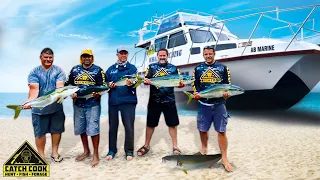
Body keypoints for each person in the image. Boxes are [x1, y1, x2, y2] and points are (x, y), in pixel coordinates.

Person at [137, 48, 185, 156]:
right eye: (160, 55)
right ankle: (146, 145)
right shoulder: (152, 67)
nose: (162, 57)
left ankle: (175, 147)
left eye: (164, 55)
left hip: (169, 100)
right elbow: (146, 79)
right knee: (150, 124)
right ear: (157, 56)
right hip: (154, 100)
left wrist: (181, 84)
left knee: (172, 124)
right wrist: (146, 81)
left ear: (167, 56)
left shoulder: (173, 68)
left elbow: (178, 82)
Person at [192, 45, 233, 172]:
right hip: (204, 105)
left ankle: (224, 158)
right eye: (206, 54)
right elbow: (195, 85)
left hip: (219, 104)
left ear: (214, 54)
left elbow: (228, 85)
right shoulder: (198, 69)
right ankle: (204, 149)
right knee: (202, 129)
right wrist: (196, 94)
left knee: (221, 131)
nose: (208, 56)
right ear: (203, 55)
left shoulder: (223, 68)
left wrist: (227, 94)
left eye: (210, 54)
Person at [22, 47, 66, 163]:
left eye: (50, 58)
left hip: (56, 108)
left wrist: (63, 94)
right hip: (39, 110)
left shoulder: (59, 71)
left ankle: (55, 153)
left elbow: (60, 86)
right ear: (40, 57)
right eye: (45, 57)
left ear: (53, 58)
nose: (48, 60)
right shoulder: (34, 72)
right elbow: (34, 90)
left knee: (57, 131)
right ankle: (41, 156)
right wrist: (29, 101)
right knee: (40, 133)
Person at [64, 48, 105, 167]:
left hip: (93, 105)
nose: (87, 59)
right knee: (81, 129)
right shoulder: (74, 70)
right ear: (81, 58)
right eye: (84, 56)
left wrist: (99, 94)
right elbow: (68, 84)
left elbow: (103, 86)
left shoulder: (98, 70)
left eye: (89, 56)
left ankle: (95, 154)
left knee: (93, 129)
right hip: (78, 105)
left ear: (92, 58)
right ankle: (86, 151)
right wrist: (70, 92)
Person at [105, 46, 139, 161]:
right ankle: (111, 150)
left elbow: (136, 80)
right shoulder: (110, 69)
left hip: (129, 101)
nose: (123, 55)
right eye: (121, 53)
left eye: (125, 53)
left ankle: (129, 151)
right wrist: (109, 85)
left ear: (127, 55)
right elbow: (105, 84)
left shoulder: (132, 68)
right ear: (117, 55)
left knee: (129, 127)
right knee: (112, 127)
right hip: (113, 101)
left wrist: (132, 82)